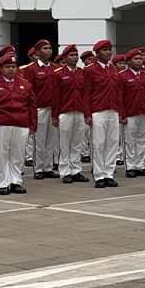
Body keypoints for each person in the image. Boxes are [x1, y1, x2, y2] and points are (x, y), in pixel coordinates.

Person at [0, 53, 36, 195]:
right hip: (0, 124)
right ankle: (2, 183)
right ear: (1, 69)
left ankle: (15, 181)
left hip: (21, 123)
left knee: (17, 155)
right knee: (1, 155)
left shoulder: (25, 84)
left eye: (13, 66)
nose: (11, 69)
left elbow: (32, 106)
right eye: (7, 67)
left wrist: (33, 125)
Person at [83, 40, 122, 188]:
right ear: (97, 53)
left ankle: (109, 173)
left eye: (109, 50)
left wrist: (120, 111)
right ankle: (99, 175)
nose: (108, 52)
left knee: (112, 143)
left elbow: (118, 92)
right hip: (98, 110)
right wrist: (87, 113)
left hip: (113, 110)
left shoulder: (113, 70)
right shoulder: (90, 70)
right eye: (105, 50)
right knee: (98, 144)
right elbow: (86, 92)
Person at [52, 44, 90, 184]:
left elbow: (86, 93)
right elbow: (55, 96)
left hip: (79, 111)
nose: (74, 58)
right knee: (64, 143)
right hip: (65, 112)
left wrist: (87, 113)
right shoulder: (58, 74)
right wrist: (54, 116)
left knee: (77, 143)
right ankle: (65, 171)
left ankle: (76, 170)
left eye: (76, 55)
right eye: (71, 55)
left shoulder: (82, 73)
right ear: (65, 57)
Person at [22, 39, 59, 180]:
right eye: (45, 49)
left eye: (50, 48)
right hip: (39, 108)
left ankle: (48, 167)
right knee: (39, 139)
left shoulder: (55, 68)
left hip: (53, 108)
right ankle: (38, 168)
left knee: (52, 139)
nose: (48, 51)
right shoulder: (31, 69)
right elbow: (29, 91)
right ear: (37, 52)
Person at [118, 48, 145, 179]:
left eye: (140, 59)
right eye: (136, 59)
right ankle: (130, 167)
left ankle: (140, 165)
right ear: (129, 61)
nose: (139, 61)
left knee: (142, 140)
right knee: (129, 140)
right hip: (130, 113)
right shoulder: (123, 76)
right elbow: (120, 96)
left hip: (144, 112)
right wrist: (122, 114)